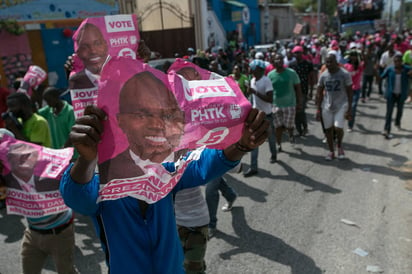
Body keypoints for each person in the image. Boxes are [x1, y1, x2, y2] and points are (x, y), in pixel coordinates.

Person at [60, 105, 269, 273]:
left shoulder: (163, 173)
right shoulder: (101, 187)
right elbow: (75, 195)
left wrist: (241, 145)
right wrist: (86, 160)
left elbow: (202, 165)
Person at [2, 93, 76, 274]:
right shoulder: (7, 173)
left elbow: (38, 158)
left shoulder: (41, 163)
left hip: (59, 232)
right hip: (33, 233)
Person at [99, 71, 185, 183]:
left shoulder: (189, 160)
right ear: (121, 121)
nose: (157, 125)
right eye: (142, 115)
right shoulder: (107, 171)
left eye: (166, 115)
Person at [316, 51, 353, 160]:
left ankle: (340, 145)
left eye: (331, 62)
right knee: (328, 130)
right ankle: (331, 151)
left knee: (338, 127)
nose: (329, 64)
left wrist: (350, 108)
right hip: (327, 105)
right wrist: (318, 109)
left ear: (336, 62)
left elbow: (350, 92)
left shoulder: (344, 74)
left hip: (341, 104)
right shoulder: (324, 75)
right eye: (327, 62)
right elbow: (319, 92)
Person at [243, 59, 275, 177]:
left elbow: (270, 99)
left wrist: (255, 92)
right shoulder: (252, 80)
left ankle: (274, 154)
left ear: (259, 69)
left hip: (267, 115)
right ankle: (253, 167)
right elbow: (251, 96)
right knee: (254, 140)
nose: (250, 69)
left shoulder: (266, 81)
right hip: (256, 116)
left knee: (271, 137)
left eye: (252, 67)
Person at [268, 53, 303, 153]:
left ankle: (291, 134)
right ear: (273, 62)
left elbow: (298, 87)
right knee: (278, 127)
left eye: (280, 59)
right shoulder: (270, 75)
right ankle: (279, 144)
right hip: (276, 105)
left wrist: (300, 102)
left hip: (290, 104)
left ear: (283, 61)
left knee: (289, 125)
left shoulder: (291, 73)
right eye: (276, 59)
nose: (279, 61)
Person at [379, 54, 412, 139]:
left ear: (402, 62)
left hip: (401, 95)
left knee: (399, 111)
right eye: (395, 61)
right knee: (389, 113)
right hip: (391, 95)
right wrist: (379, 71)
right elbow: (382, 76)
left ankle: (397, 122)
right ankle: (387, 129)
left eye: (398, 61)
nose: (397, 63)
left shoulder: (406, 69)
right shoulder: (390, 69)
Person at [69, 23, 109, 90]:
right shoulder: (76, 80)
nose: (93, 51)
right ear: (78, 53)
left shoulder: (120, 76)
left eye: (97, 43)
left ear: (106, 45)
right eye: (85, 47)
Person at [289, 45, 315, 136]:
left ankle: (305, 127)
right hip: (292, 91)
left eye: (298, 52)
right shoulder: (291, 65)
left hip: (303, 90)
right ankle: (299, 129)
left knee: (301, 110)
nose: (296, 54)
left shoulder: (308, 64)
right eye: (295, 53)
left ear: (302, 53)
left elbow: (311, 77)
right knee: (294, 111)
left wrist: (311, 91)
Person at [344, 50, 364, 132]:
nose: (354, 57)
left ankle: (350, 125)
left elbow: (364, 59)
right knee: (346, 107)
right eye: (352, 55)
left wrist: (360, 53)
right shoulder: (346, 66)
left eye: (355, 56)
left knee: (353, 107)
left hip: (356, 89)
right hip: (347, 90)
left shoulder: (360, 66)